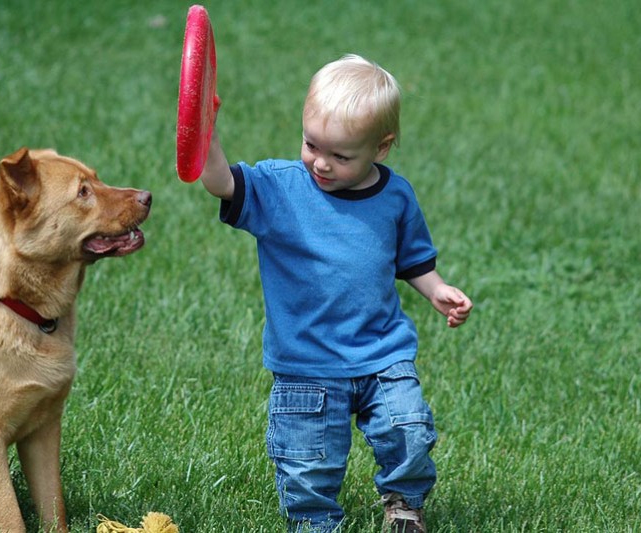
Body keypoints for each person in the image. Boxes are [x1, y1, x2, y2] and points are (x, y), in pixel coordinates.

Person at [198, 54, 473, 533]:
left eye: (341, 156)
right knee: (308, 466)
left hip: (382, 352)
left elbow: (411, 259)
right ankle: (314, 524)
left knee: (408, 430)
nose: (320, 163)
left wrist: (436, 290)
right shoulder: (279, 188)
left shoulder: (396, 196)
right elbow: (219, 183)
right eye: (311, 144)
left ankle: (405, 506)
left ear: (381, 148)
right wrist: (206, 129)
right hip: (306, 363)